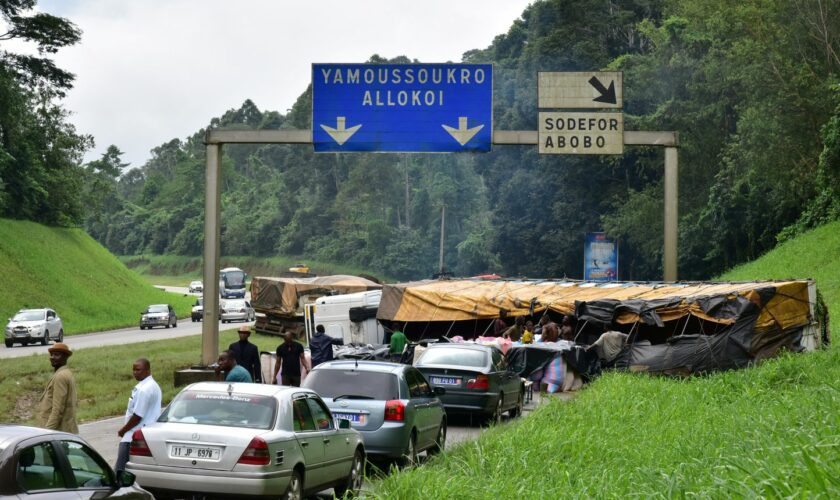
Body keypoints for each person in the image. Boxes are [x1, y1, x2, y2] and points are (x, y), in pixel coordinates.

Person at [116, 358, 162, 473]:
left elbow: (137, 416)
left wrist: (123, 430)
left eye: (138, 370)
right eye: (134, 370)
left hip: (132, 435)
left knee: (120, 471)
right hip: (145, 433)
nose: (135, 372)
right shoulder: (153, 385)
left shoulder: (144, 390)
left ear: (148, 370)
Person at [37, 342, 78, 433]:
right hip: (63, 429)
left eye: (57, 355)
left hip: (59, 430)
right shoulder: (65, 373)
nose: (52, 357)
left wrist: (48, 432)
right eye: (51, 355)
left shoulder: (60, 376)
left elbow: (58, 409)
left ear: (65, 357)